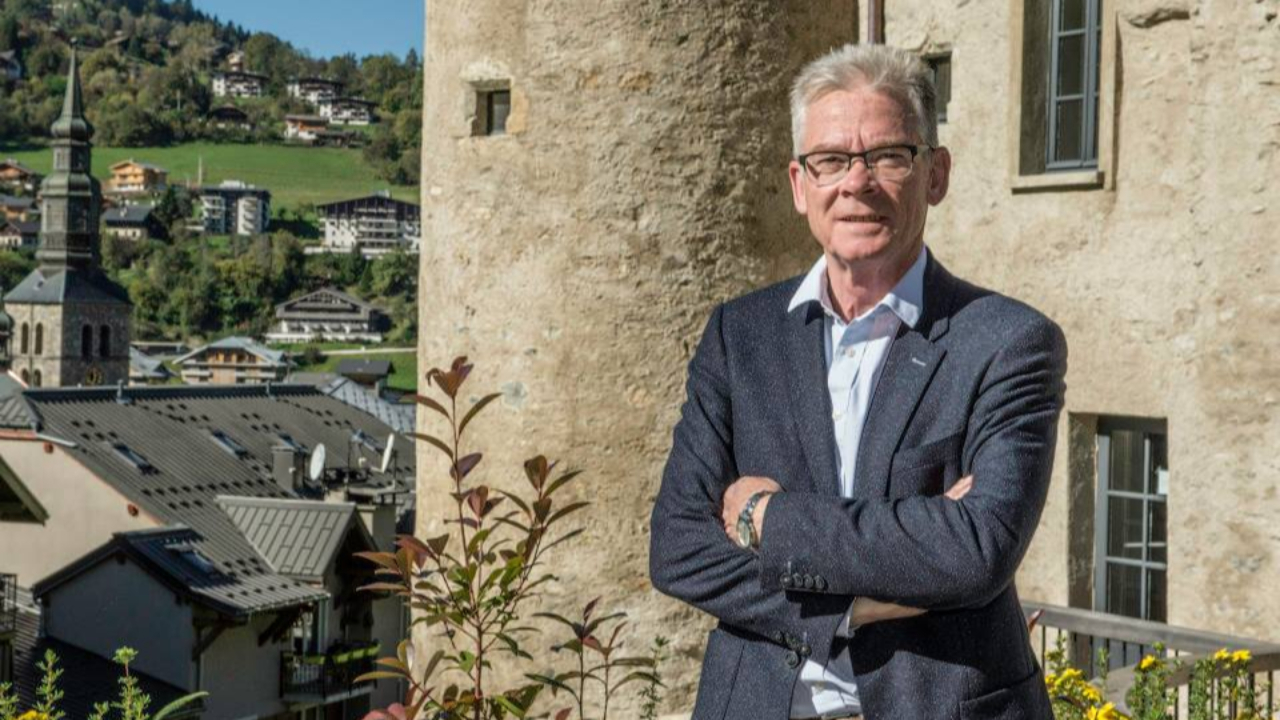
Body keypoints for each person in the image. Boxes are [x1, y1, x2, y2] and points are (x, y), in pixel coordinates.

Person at [649, 44, 1066, 720]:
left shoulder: (1006, 341)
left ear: (935, 174)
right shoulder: (741, 335)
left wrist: (766, 518)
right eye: (832, 160)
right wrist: (858, 603)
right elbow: (677, 548)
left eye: (888, 157)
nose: (857, 182)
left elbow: (977, 551)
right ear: (798, 183)